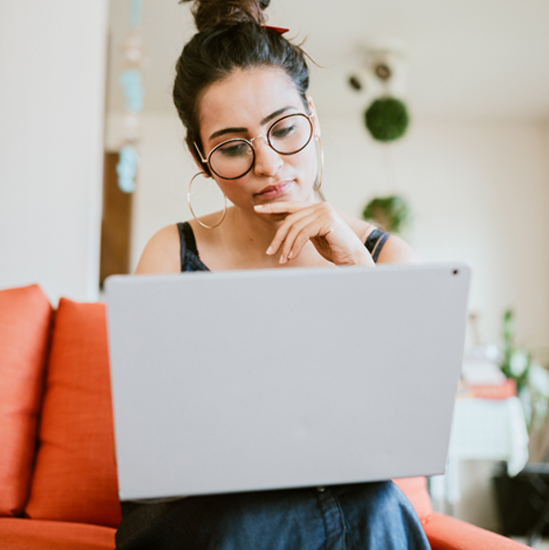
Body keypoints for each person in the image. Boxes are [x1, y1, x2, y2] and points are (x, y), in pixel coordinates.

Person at [118, 1, 429, 548]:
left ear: (311, 115)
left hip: (348, 498)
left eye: (283, 129)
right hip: (201, 515)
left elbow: (412, 429)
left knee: (376, 502)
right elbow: (151, 438)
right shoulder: (171, 253)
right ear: (200, 156)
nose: (268, 163)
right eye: (234, 146)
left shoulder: (385, 256)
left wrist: (360, 274)